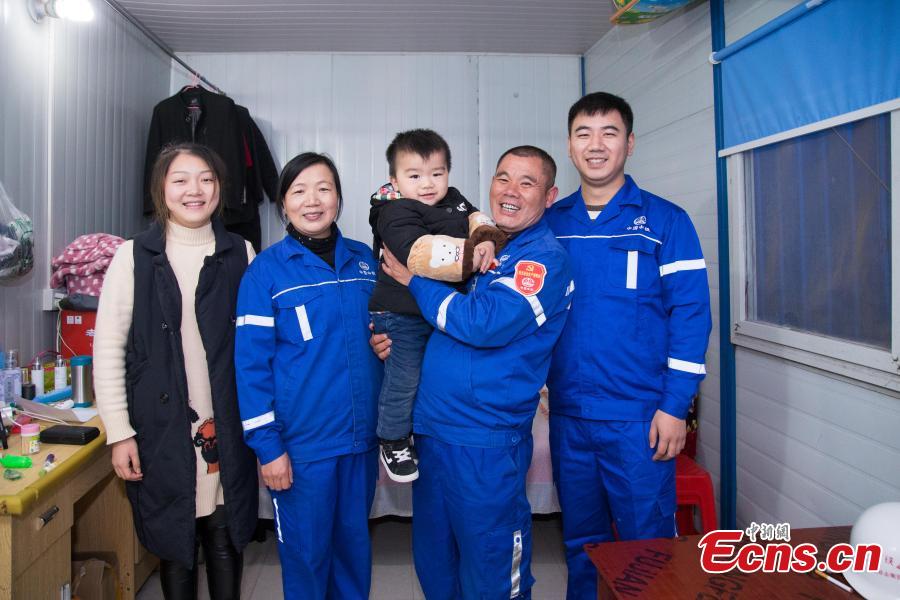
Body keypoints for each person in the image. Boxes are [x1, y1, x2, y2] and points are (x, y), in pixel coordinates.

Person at [381, 146, 573, 600]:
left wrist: (415, 281)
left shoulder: (541, 258)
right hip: (433, 433)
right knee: (436, 565)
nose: (510, 191)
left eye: (527, 182)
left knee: (490, 574)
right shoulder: (476, 247)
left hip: (484, 444)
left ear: (549, 196)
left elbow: (481, 324)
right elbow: (432, 322)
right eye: (503, 178)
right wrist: (390, 339)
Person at [544, 91, 712, 599]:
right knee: (582, 545)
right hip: (570, 417)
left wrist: (675, 406)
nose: (596, 145)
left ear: (630, 143)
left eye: (609, 133)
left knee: (647, 549)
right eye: (583, 134)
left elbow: (691, 317)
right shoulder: (550, 225)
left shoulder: (666, 222)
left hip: (641, 420)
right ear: (570, 146)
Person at [94, 142, 258, 600]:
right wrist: (120, 433)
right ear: (160, 188)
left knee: (226, 535)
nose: (195, 190)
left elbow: (260, 342)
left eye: (206, 179)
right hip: (162, 426)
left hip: (225, 423)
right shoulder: (133, 256)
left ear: (220, 188)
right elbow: (108, 349)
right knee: (175, 544)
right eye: (181, 180)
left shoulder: (241, 252)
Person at [234, 152, 383, 599]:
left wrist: (389, 343)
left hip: (360, 441)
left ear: (338, 197)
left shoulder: (364, 260)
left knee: (354, 555)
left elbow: (386, 331)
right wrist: (268, 448)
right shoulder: (265, 273)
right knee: (307, 561)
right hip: (302, 450)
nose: (312, 201)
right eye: (299, 191)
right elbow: (250, 369)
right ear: (283, 204)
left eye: (323, 188)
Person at [369, 128, 506, 482]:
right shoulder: (393, 211)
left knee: (442, 373)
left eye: (437, 173)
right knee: (405, 375)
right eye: (414, 176)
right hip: (402, 312)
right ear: (395, 181)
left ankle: (427, 429)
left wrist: (487, 239)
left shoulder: (455, 200)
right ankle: (393, 437)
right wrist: (472, 255)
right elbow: (420, 254)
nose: (427, 184)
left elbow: (477, 218)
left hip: (439, 307)